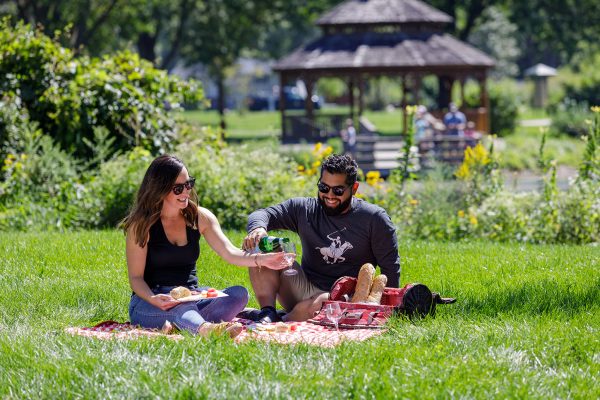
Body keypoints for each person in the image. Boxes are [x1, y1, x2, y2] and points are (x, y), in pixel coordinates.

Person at [122, 155, 290, 337]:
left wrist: (263, 260)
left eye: (188, 184)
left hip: (192, 298)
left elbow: (230, 253)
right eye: (178, 188)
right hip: (149, 302)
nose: (186, 191)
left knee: (239, 295)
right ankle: (207, 330)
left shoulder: (199, 217)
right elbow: (136, 279)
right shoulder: (141, 225)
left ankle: (183, 325)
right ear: (160, 189)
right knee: (181, 310)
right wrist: (153, 299)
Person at [241, 154, 400, 323]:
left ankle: (279, 320)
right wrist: (258, 229)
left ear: (354, 188)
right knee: (262, 245)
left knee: (323, 303)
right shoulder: (304, 209)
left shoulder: (374, 219)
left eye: (338, 190)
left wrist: (387, 309)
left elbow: (390, 270)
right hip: (301, 288)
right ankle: (268, 311)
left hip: (343, 299)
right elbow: (262, 214)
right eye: (324, 188)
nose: (329, 195)